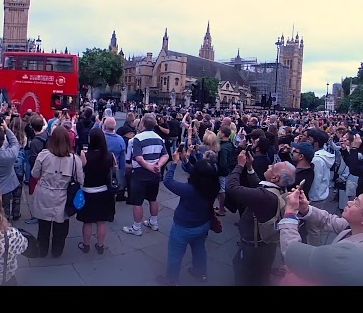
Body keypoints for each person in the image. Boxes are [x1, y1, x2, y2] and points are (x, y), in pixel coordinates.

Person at [226, 151, 296, 286]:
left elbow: (232, 187)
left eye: (272, 167)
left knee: (245, 275)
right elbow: (260, 185)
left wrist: (239, 165)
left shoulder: (264, 197)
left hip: (253, 247)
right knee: (261, 275)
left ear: (275, 178)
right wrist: (250, 167)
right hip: (266, 246)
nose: (269, 165)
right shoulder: (279, 189)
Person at [157, 152, 219, 286]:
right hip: (203, 224)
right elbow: (201, 174)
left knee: (175, 255)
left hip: (183, 227)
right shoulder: (212, 186)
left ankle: (171, 281)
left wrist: (174, 163)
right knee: (199, 249)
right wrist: (185, 160)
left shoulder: (189, 190)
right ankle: (200, 272)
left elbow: (168, 181)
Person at [30, 126, 84, 258]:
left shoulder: (43, 155)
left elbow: (34, 174)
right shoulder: (74, 159)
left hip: (44, 194)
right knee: (61, 226)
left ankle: (42, 250)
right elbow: (80, 181)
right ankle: (57, 250)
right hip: (63, 195)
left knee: (43, 225)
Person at [122, 114, 169, 235]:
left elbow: (138, 158)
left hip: (140, 174)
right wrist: (158, 165)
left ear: (142, 124)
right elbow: (166, 155)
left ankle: (136, 228)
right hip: (155, 174)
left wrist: (151, 167)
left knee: (137, 202)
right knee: (153, 199)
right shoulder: (159, 138)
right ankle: (154, 222)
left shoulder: (138, 138)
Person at [77, 128, 115, 254]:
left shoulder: (85, 155)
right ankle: (100, 245)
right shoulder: (110, 155)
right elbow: (114, 170)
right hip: (104, 192)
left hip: (88, 191)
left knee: (87, 222)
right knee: (102, 221)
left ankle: (86, 245)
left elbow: (81, 171)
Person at [305, 128, 335, 246]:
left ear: (316, 143)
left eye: (309, 139)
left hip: (315, 197)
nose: (307, 140)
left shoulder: (317, 159)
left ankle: (316, 252)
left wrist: (310, 198)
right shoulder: (323, 156)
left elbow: (315, 180)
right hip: (321, 194)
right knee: (316, 226)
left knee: (313, 229)